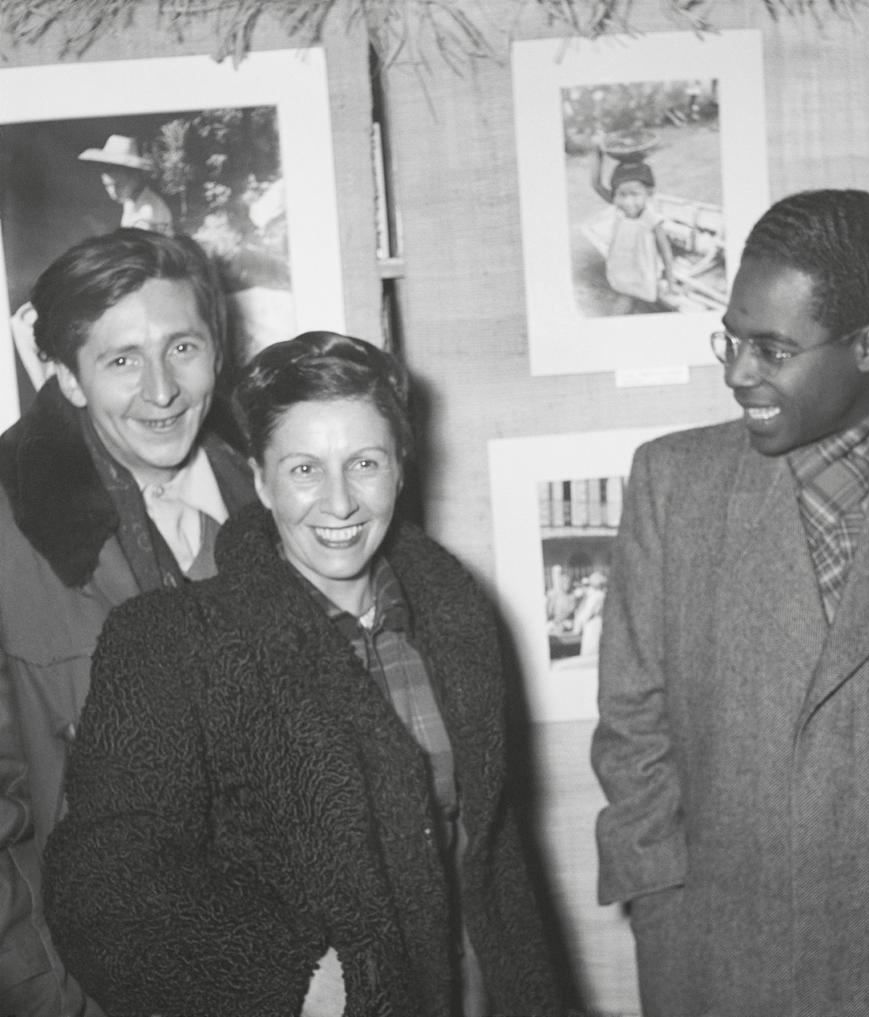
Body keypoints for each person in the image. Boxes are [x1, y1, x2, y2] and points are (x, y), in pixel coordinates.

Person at [590, 188, 869, 1017]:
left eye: (771, 348)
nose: (736, 371)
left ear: (868, 345)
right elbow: (632, 733)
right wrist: (665, 923)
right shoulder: (673, 486)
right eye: (730, 337)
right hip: (724, 969)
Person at [42, 331, 565, 1017]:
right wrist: (292, 980)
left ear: (402, 466)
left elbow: (494, 857)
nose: (340, 502)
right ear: (260, 479)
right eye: (305, 469)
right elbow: (101, 890)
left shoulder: (455, 622)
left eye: (366, 462)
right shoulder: (174, 642)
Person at [0, 228, 256, 1016]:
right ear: (68, 381)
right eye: (121, 360)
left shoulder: (289, 502)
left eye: (182, 347)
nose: (162, 390)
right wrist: (50, 994)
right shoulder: (10, 535)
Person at [589, 148, 677, 315]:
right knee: (627, 300)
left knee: (629, 302)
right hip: (623, 273)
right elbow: (596, 184)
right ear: (614, 196)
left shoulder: (651, 219)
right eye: (622, 195)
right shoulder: (619, 210)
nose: (628, 201)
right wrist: (598, 155)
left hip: (643, 275)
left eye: (635, 194)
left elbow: (666, 254)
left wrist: (671, 283)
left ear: (648, 193)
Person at [78, 135, 174, 235]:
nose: (113, 193)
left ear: (135, 177)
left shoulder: (147, 213)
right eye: (107, 186)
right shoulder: (130, 201)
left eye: (118, 185)